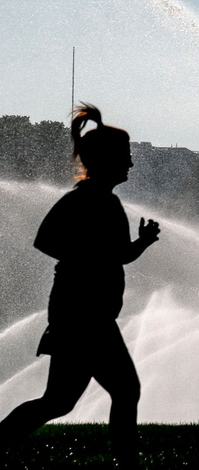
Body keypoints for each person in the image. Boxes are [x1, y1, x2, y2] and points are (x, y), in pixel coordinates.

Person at [0, 104, 160, 468]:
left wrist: (142, 243)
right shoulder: (83, 199)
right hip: (83, 315)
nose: (131, 164)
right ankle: (128, 465)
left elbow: (116, 256)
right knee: (125, 390)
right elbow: (46, 241)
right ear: (106, 160)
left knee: (58, 402)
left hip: (86, 315)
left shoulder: (109, 202)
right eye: (126, 157)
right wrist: (89, 257)